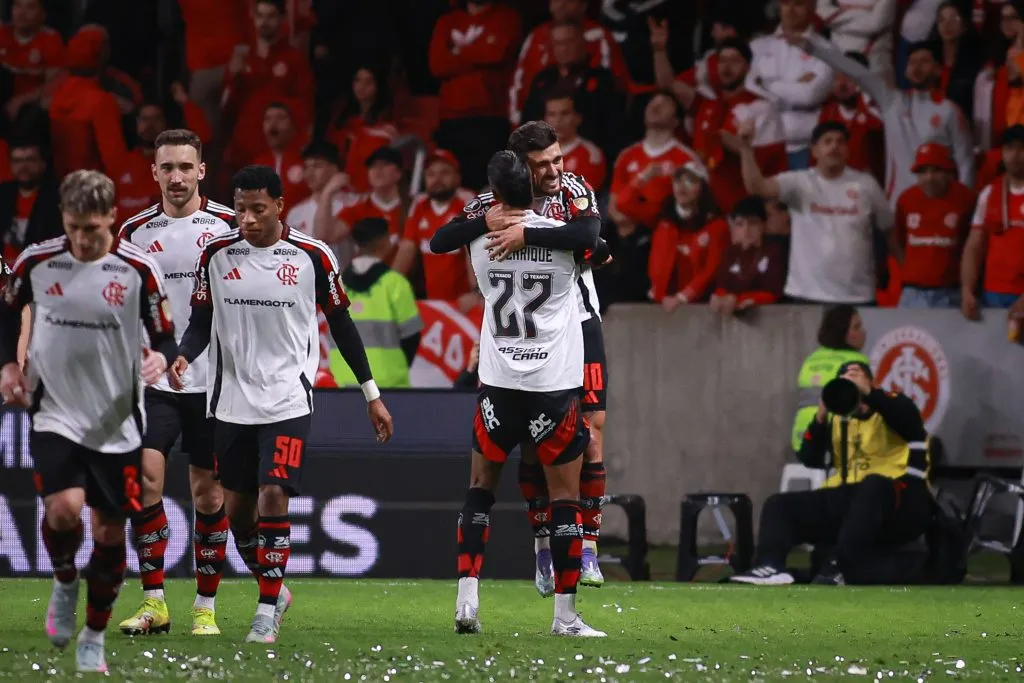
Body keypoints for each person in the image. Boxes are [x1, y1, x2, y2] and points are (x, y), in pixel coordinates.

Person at [171, 165, 393, 644]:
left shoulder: (313, 255)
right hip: (229, 404)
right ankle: (276, 587)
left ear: (279, 206)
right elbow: (200, 321)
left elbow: (343, 326)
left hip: (289, 401)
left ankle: (266, 609)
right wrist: (184, 356)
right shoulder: (215, 254)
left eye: (257, 209)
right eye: (240, 209)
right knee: (239, 515)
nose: (247, 219)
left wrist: (371, 394)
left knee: (275, 495)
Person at [0, 169, 177, 672]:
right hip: (54, 409)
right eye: (75, 227)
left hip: (116, 417)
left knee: (107, 530)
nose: (82, 239)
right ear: (65, 219)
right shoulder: (36, 261)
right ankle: (62, 581)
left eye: (93, 229)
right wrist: (9, 364)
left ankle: (94, 633)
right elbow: (6, 311)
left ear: (112, 219)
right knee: (62, 510)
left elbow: (165, 334)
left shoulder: (138, 270)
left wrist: (162, 359)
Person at [430, 121, 612, 595]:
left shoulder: (575, 189)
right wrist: (485, 224)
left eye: (558, 159)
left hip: (580, 322)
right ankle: (545, 547)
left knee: (592, 429)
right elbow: (441, 239)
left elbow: (593, 237)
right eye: (542, 164)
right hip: (522, 338)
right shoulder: (492, 202)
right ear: (519, 168)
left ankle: (588, 546)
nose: (555, 170)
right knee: (536, 443)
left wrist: (529, 234)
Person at [114, 129, 235, 637]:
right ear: (155, 173)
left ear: (202, 170)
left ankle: (205, 610)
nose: (177, 177)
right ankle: (155, 603)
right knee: (144, 482)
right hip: (157, 379)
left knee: (208, 497)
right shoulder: (134, 232)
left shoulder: (233, 225)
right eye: (168, 168)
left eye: (186, 167)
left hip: (217, 384)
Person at [732, 362, 933, 585]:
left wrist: (870, 394)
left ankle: (839, 566)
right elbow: (810, 458)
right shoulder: (839, 419)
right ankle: (769, 566)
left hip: (896, 499)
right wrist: (820, 418)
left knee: (872, 485)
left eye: (856, 381)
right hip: (850, 500)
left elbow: (910, 419)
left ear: (870, 383)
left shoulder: (889, 407)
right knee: (778, 505)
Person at [789, 33, 974, 204]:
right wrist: (811, 47)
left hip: (940, 204)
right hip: (898, 205)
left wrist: (964, 204)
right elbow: (855, 70)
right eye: (911, 62)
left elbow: (965, 162)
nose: (916, 67)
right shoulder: (891, 101)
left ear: (938, 69)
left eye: (924, 61)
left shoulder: (949, 111)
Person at [731, 120, 895, 305]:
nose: (835, 146)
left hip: (858, 296)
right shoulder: (799, 183)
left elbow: (889, 230)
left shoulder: (867, 185)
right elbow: (757, 187)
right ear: (814, 150)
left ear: (848, 150)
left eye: (841, 141)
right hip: (806, 294)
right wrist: (746, 148)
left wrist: (902, 271)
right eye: (828, 141)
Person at [652, 28, 788, 213]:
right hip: (703, 207)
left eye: (734, 61)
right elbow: (668, 84)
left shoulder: (761, 107)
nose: (726, 67)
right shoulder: (706, 103)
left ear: (747, 66)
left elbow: (770, 161)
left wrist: (733, 143)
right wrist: (659, 50)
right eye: (722, 60)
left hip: (741, 207)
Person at [332, 217, 423, 388]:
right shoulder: (395, 283)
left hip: (343, 380)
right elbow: (412, 337)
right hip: (389, 382)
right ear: (384, 241)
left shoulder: (337, 284)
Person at [744, 0, 833, 170]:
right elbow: (749, 87)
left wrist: (765, 84)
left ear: (812, 7)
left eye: (798, 4)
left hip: (805, 149)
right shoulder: (757, 47)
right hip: (762, 146)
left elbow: (809, 95)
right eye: (786, 3)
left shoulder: (826, 50)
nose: (790, 10)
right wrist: (794, 87)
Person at [894, 142, 976, 308]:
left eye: (936, 170)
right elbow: (899, 241)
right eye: (923, 171)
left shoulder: (966, 199)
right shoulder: (906, 199)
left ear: (948, 172)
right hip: (912, 292)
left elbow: (973, 245)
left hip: (951, 292)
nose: (929, 177)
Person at [639, 163, 729, 308]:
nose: (682, 186)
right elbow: (624, 204)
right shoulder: (663, 219)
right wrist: (643, 176)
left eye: (691, 181)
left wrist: (683, 297)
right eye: (678, 180)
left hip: (700, 305)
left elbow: (711, 269)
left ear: (703, 188)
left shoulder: (717, 226)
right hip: (662, 303)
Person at [394, 149, 477, 303]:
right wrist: (389, 286)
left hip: (466, 302)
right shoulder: (419, 204)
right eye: (431, 174)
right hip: (434, 303)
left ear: (457, 178)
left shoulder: (467, 202)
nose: (437, 179)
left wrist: (476, 292)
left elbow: (474, 251)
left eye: (444, 173)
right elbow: (407, 248)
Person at [962, 124, 1024, 318]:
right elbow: (974, 246)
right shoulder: (989, 193)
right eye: (1010, 148)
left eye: (1022, 148)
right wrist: (967, 290)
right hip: (992, 295)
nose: (1016, 155)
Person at [790, 306, 870, 452]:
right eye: (856, 327)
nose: (863, 332)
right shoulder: (856, 363)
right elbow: (867, 408)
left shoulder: (811, 359)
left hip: (801, 439)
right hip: (835, 443)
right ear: (842, 332)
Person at [816, 52, 885, 185]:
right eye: (837, 77)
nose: (841, 84)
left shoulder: (875, 109)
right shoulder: (828, 112)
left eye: (848, 77)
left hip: (870, 189)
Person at [710, 196, 786, 314]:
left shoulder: (774, 251)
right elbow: (721, 286)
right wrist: (720, 298)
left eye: (752, 223)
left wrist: (739, 299)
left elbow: (773, 292)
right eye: (740, 224)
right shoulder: (731, 252)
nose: (746, 230)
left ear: (764, 225)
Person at [0, 140, 62, 263]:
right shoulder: (3, 194)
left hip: (35, 273)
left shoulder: (56, 198)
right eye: (17, 161)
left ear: (43, 164)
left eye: (30, 160)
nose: (23, 166)